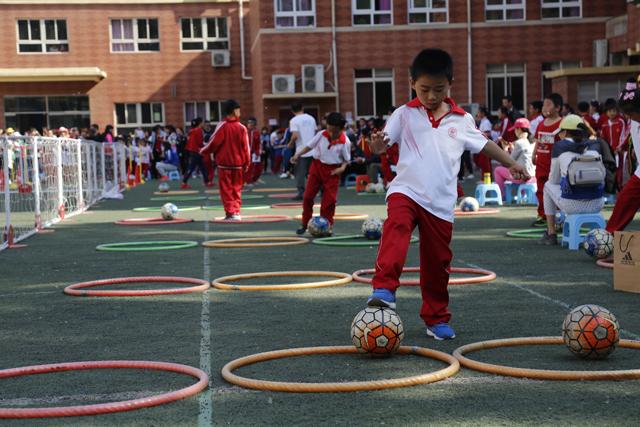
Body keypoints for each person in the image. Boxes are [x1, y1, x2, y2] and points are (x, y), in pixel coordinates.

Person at [365, 48, 528, 340]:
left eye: (438, 89)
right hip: (406, 190)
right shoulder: (403, 114)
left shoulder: (461, 120)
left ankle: (436, 318)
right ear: (412, 82)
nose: (430, 96)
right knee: (397, 226)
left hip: (440, 203)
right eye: (425, 89)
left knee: (437, 263)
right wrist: (376, 147)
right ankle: (384, 288)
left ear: (450, 85)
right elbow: (383, 143)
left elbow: (485, 145)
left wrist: (513, 163)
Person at [539, 114, 605, 245]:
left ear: (565, 132)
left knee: (547, 185)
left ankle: (551, 233)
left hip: (572, 205)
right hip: (597, 203)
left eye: (561, 132)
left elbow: (554, 180)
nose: (559, 136)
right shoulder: (595, 145)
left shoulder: (559, 147)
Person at [291, 112, 351, 235]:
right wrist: (298, 154)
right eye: (329, 129)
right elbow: (309, 146)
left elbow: (347, 160)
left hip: (333, 171)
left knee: (329, 201)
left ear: (341, 129)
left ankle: (327, 226)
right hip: (317, 167)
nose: (331, 133)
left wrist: (342, 168)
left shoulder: (345, 141)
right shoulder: (321, 135)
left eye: (334, 131)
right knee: (307, 196)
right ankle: (305, 223)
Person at [200, 100, 250, 221]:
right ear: (233, 111)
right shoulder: (242, 127)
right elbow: (246, 147)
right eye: (238, 109)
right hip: (238, 164)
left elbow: (213, 142)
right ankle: (236, 212)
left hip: (224, 164)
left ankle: (231, 212)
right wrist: (247, 162)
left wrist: (203, 151)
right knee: (236, 189)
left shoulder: (222, 126)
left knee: (226, 190)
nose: (240, 112)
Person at [606, 78, 640, 234]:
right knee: (625, 199)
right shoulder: (633, 120)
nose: (628, 116)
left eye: (630, 113)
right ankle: (608, 236)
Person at [532, 93, 564, 226]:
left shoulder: (562, 123)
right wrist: (534, 154)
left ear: (558, 107)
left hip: (555, 165)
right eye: (544, 104)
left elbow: (564, 142)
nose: (544, 108)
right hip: (541, 163)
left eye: (548, 104)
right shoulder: (540, 123)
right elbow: (538, 141)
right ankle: (542, 215)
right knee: (540, 189)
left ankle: (556, 215)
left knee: (555, 189)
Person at [493, 118, 536, 199]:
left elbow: (508, 162)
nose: (514, 132)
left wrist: (505, 149)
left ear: (519, 129)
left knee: (497, 170)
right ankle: (523, 195)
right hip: (532, 175)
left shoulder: (519, 142)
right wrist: (512, 148)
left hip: (522, 177)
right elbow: (520, 158)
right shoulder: (529, 142)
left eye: (515, 129)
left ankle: (502, 196)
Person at [288, 101, 318, 200]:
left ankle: (301, 192)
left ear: (292, 111)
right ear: (302, 108)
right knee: (315, 173)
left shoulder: (294, 120)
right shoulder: (311, 118)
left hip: (301, 150)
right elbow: (315, 132)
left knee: (300, 173)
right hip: (313, 150)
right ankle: (321, 190)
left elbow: (295, 135)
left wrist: (290, 144)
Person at [600, 98, 628, 189]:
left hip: (618, 151)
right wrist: (605, 150)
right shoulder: (604, 124)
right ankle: (612, 186)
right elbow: (603, 139)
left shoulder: (620, 122)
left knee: (620, 168)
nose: (612, 113)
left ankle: (620, 186)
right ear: (606, 112)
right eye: (609, 111)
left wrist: (619, 147)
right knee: (610, 169)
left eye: (614, 111)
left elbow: (623, 135)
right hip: (609, 152)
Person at [181, 117, 209, 189]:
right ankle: (184, 182)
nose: (203, 124)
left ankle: (207, 181)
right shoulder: (199, 130)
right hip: (196, 151)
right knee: (192, 167)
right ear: (200, 123)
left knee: (202, 166)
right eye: (202, 122)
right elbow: (199, 142)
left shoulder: (192, 131)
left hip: (191, 150)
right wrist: (205, 146)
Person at [244, 117, 263, 186]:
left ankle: (253, 179)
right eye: (249, 123)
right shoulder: (244, 131)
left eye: (252, 123)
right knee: (249, 167)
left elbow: (258, 143)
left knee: (259, 168)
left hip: (254, 153)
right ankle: (247, 181)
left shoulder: (256, 132)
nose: (250, 124)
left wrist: (258, 152)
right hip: (245, 153)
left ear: (255, 124)